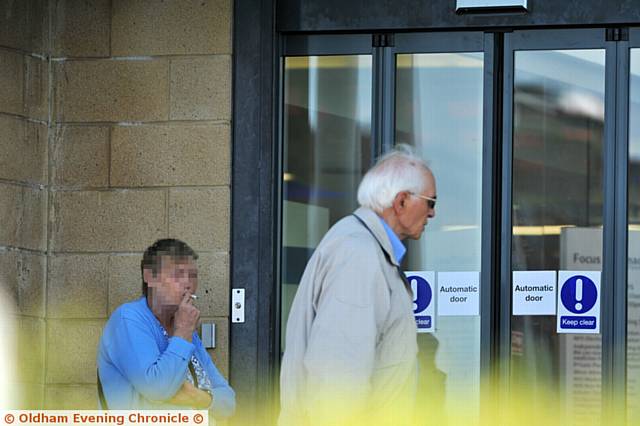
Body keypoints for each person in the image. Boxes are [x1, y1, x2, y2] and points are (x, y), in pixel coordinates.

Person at [278, 145, 437, 426]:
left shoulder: (363, 246)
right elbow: (338, 377)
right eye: (430, 202)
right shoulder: (359, 254)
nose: (433, 213)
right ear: (401, 202)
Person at [97, 239, 235, 419]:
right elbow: (157, 389)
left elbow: (229, 401)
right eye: (178, 274)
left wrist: (197, 397)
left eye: (193, 275)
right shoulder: (129, 318)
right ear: (150, 276)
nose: (188, 283)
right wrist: (183, 331)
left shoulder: (184, 329)